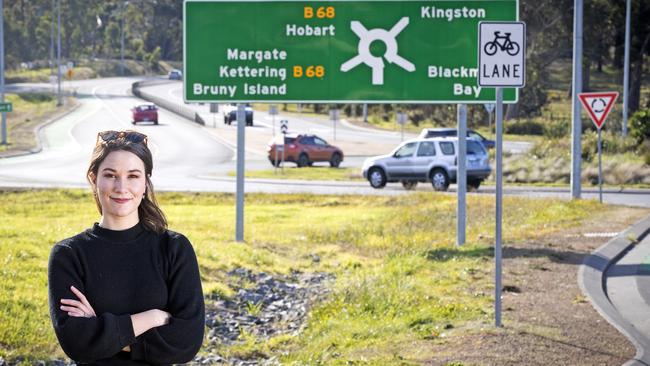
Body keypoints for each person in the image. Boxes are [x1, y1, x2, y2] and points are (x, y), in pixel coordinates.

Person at [48, 130, 205, 365]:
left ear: (145, 182)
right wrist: (152, 318)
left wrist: (103, 332)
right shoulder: (69, 254)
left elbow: (186, 343)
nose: (121, 187)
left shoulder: (174, 249)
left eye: (133, 176)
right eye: (110, 175)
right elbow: (76, 342)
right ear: (93, 178)